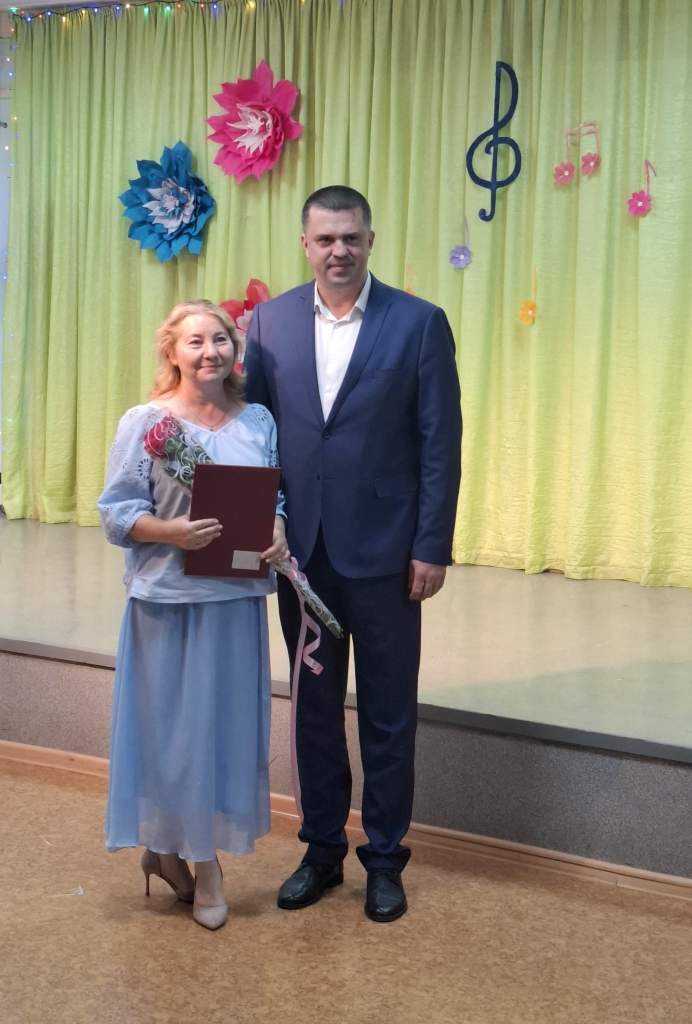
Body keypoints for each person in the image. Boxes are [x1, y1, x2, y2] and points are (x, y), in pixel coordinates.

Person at [245, 186, 462, 922]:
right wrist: (258, 526)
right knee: (313, 712)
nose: (338, 250)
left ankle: (386, 858)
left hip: (389, 558)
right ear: (305, 245)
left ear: (371, 240)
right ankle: (321, 851)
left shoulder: (419, 323)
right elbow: (256, 436)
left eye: (351, 238)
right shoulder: (270, 322)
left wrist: (431, 545)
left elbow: (440, 444)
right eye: (325, 239)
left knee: (388, 714)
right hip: (301, 556)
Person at [98, 299, 289, 930]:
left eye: (221, 339)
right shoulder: (147, 423)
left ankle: (165, 853)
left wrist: (278, 527)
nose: (210, 352)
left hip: (235, 603)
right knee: (174, 739)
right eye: (195, 341)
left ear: (236, 349)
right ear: (172, 352)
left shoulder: (256, 420)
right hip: (168, 604)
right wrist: (171, 532)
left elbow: (273, 495)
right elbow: (117, 514)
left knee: (222, 736)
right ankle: (205, 868)